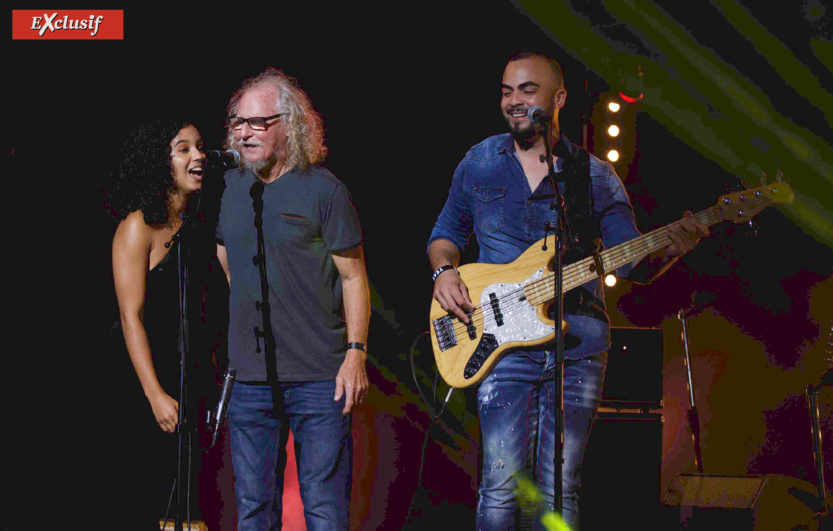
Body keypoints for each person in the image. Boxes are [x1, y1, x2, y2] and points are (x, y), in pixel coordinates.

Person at [427, 52, 708, 530]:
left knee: (560, 487)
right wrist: (444, 273)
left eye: (527, 90)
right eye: (506, 91)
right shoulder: (480, 162)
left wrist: (673, 246)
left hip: (578, 343)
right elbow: (445, 235)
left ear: (557, 99)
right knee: (500, 486)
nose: (514, 102)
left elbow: (632, 261)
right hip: (498, 341)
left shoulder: (594, 176)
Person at [216, 68, 370, 531]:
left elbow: (354, 277)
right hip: (249, 379)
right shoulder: (231, 188)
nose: (244, 133)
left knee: (323, 509)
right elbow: (226, 255)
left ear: (291, 125)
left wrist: (355, 354)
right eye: (238, 123)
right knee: (253, 509)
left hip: (319, 377)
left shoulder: (326, 191)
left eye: (258, 122)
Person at [111, 116, 219, 525]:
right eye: (184, 148)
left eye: (200, 147)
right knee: (155, 496)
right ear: (161, 162)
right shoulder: (138, 226)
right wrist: (154, 394)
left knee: (193, 502)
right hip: (146, 384)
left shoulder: (199, 224)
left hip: (191, 383)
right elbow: (129, 316)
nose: (199, 156)